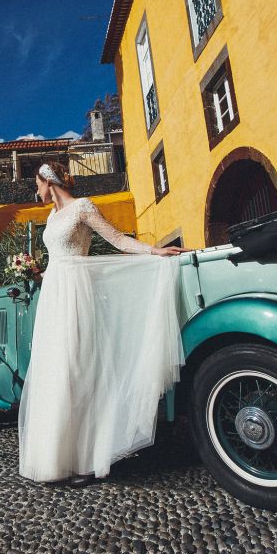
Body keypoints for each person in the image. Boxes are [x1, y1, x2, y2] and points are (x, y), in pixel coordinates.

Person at [18, 160, 190, 487]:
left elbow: (118, 240)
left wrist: (154, 252)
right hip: (54, 294)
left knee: (78, 368)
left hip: (76, 292)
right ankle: (56, 458)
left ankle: (85, 459)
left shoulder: (83, 207)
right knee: (55, 369)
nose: (36, 190)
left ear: (48, 180)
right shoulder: (52, 216)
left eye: (37, 184)